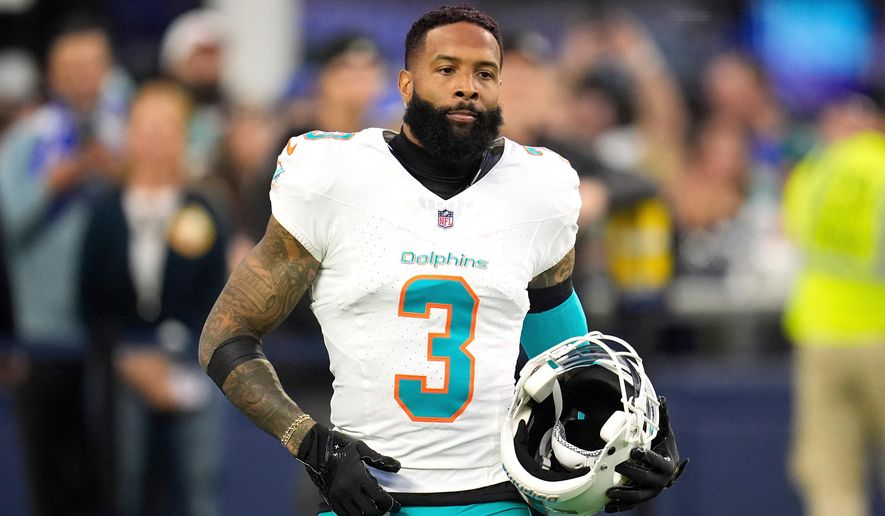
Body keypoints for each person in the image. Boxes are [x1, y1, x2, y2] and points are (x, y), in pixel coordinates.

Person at [199, 5, 684, 515]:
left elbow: (567, 362)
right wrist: (311, 442)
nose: (467, 87)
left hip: (497, 499)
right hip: (367, 499)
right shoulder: (332, 177)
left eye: (485, 73)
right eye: (446, 69)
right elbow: (225, 334)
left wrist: (636, 432)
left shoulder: (537, 189)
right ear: (406, 85)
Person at [0, 17, 131, 515]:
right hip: (45, 336)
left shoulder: (131, 137)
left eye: (90, 65)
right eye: (69, 67)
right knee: (51, 476)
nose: (81, 77)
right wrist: (59, 181)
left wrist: (122, 174)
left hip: (116, 335)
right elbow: (10, 223)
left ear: (107, 70)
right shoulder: (27, 141)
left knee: (114, 479)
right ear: (51, 75)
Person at [80, 80, 227, 516]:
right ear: (129, 134)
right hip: (120, 365)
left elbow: (216, 297)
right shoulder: (104, 212)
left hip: (191, 364)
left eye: (169, 127)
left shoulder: (203, 209)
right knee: (122, 487)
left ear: (184, 137)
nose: (157, 139)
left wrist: (175, 356)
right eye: (147, 127)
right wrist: (127, 357)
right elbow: (89, 300)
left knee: (201, 487)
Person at [783, 94, 885, 516]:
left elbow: (793, 235)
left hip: (821, 340)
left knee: (832, 485)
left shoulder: (815, 170)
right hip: (878, 335)